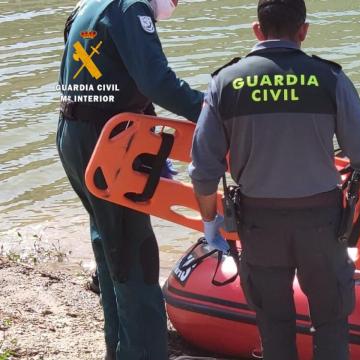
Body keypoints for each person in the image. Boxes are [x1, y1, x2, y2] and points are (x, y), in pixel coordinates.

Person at [188, 1, 360, 359]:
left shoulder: (225, 82)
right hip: (321, 224)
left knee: (273, 321)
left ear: (257, 30)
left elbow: (204, 169)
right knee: (330, 320)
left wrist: (209, 221)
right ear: (304, 31)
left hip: (259, 225)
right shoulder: (329, 78)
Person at [57, 0, 203, 358]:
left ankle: (118, 348)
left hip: (75, 134)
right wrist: (212, 111)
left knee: (111, 249)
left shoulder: (92, 5)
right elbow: (157, 81)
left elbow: (111, 75)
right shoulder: (130, 8)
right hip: (105, 140)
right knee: (134, 252)